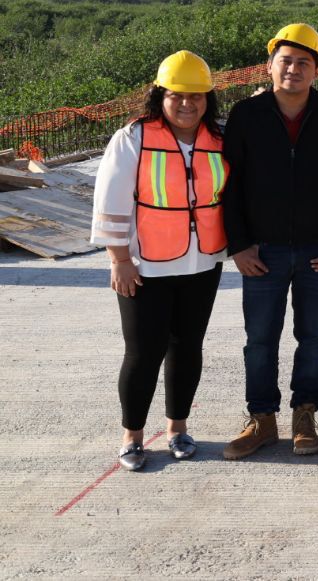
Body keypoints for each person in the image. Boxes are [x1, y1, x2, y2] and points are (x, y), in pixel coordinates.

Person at [221, 23, 318, 459]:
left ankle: (305, 414)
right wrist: (238, 244)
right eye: (285, 61)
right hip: (262, 251)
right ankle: (262, 418)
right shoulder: (246, 115)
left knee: (314, 337)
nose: (293, 69)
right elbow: (231, 185)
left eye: (303, 62)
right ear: (270, 65)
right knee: (260, 338)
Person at [91, 51, 228, 470]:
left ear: (208, 99)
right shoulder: (132, 138)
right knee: (143, 352)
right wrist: (119, 259)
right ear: (159, 96)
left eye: (196, 97)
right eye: (176, 96)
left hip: (201, 263)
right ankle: (132, 436)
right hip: (145, 266)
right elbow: (111, 200)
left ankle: (177, 429)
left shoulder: (218, 140)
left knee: (187, 348)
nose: (187, 105)